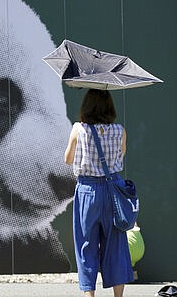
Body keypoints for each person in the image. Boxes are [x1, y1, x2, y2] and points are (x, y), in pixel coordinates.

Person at [64, 89, 133, 297]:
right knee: (116, 246)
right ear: (109, 107)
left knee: (86, 245)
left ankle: (89, 295)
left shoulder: (79, 129)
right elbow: (120, 156)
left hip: (87, 191)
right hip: (113, 191)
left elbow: (68, 159)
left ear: (86, 106)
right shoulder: (120, 130)